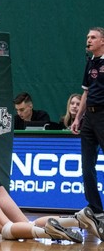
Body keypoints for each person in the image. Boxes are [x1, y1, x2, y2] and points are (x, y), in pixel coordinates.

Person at [71, 27, 104, 218]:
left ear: (102, 41)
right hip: (89, 118)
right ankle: (95, 208)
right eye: (87, 37)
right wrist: (78, 118)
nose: (88, 40)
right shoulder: (90, 62)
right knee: (86, 165)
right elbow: (86, 91)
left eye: (93, 37)